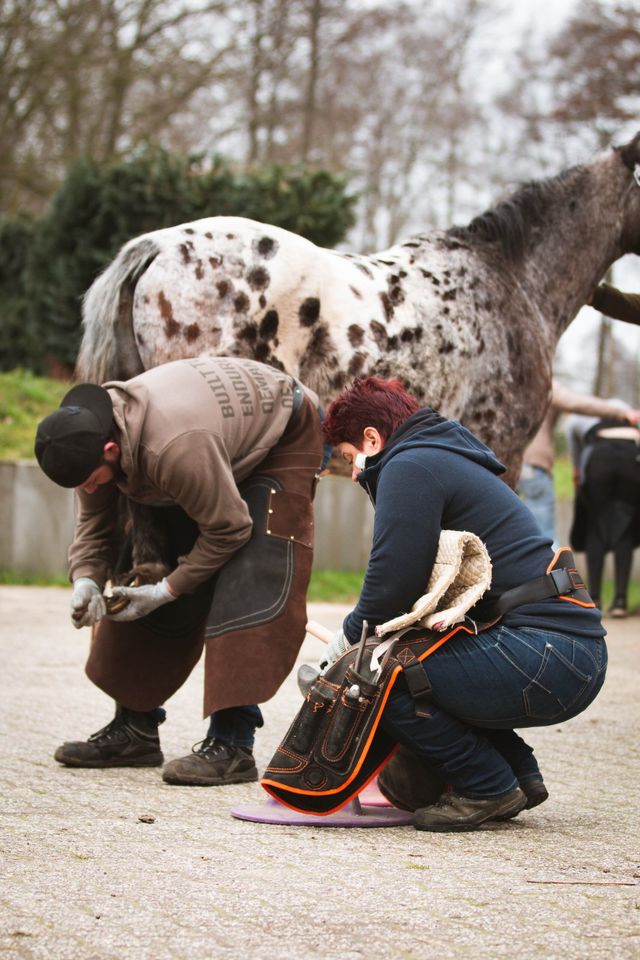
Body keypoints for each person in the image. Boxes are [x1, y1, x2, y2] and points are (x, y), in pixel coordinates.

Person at [320, 376, 607, 832]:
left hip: (546, 655)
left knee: (379, 676)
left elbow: (393, 583)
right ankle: (518, 776)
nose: (355, 472)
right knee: (420, 662)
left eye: (351, 457)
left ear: (372, 439)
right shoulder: (439, 456)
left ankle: (486, 786)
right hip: (567, 655)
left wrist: (343, 647)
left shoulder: (409, 464)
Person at [34, 356, 324, 785]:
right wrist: (86, 580)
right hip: (204, 444)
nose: (91, 488)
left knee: (248, 575)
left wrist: (168, 590)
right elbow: (97, 525)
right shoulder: (90, 440)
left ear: (110, 450)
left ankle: (232, 743)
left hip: (280, 435)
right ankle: (135, 729)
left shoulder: (173, 448)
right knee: (146, 563)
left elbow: (229, 529)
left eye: (93, 480)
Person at [518, 382, 640, 545]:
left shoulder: (500, 379)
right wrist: (623, 412)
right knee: (545, 535)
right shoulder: (541, 382)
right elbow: (575, 403)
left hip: (498, 467)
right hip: (532, 464)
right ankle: (554, 571)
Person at [566, 407, 640, 617]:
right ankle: (620, 601)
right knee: (624, 529)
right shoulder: (631, 419)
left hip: (599, 460)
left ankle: (595, 599)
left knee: (595, 527)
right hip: (631, 459)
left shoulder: (585, 417)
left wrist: (577, 471)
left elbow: (571, 430)